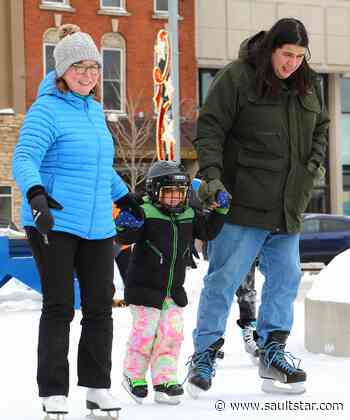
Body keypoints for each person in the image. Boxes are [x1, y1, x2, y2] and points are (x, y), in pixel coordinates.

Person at [187, 18, 329, 396]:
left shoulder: (308, 82)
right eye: (287, 55)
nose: (292, 64)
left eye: (300, 56)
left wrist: (312, 165)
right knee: (223, 281)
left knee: (284, 282)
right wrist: (213, 178)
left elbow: (322, 127)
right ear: (270, 49)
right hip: (241, 201)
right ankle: (204, 355)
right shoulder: (237, 77)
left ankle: (273, 356)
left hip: (287, 204)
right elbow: (210, 128)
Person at [12, 24, 143, 418]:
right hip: (54, 220)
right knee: (59, 306)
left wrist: (125, 196)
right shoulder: (46, 109)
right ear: (62, 71)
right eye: (79, 67)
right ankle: (53, 391)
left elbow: (100, 168)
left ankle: (96, 388)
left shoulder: (92, 110)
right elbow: (24, 157)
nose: (88, 74)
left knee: (100, 307)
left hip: (98, 224)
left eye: (93, 67)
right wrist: (36, 194)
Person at [114, 161, 229, 405]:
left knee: (171, 334)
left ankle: (164, 379)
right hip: (143, 288)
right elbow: (125, 237)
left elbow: (207, 232)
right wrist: (125, 225)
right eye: (169, 193)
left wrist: (219, 212)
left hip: (173, 290)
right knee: (145, 333)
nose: (175, 199)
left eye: (180, 193)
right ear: (155, 191)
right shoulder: (144, 211)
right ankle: (133, 375)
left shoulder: (188, 213)